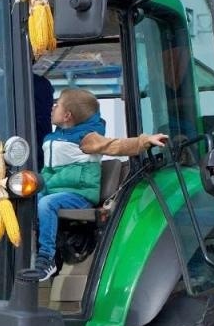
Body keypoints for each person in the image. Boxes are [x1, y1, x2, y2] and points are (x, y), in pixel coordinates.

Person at [34, 88, 166, 281]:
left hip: (77, 195)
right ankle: (36, 250)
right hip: (54, 191)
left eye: (57, 104)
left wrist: (144, 141)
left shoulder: (87, 138)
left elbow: (116, 145)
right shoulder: (56, 136)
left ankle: (47, 258)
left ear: (67, 116)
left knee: (47, 204)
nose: (52, 107)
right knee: (27, 200)